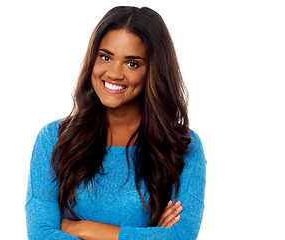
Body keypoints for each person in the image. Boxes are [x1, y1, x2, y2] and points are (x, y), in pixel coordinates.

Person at [25, 6, 206, 240]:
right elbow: (41, 234)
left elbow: (180, 236)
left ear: (153, 71)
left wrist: (81, 228)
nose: (114, 73)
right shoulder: (54, 139)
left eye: (132, 63)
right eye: (106, 57)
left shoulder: (182, 145)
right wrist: (148, 236)